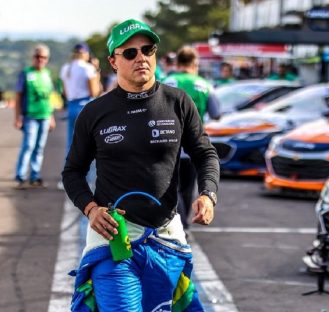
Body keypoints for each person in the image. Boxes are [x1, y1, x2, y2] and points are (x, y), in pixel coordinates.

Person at [62, 19, 219, 311]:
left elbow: (205, 154)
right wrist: (91, 209)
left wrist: (208, 194)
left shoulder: (178, 102)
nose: (141, 58)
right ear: (113, 61)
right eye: (130, 53)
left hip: (165, 238)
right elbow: (72, 172)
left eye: (147, 50)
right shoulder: (95, 112)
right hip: (115, 240)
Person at [163, 46, 221, 231]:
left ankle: (177, 223)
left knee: (170, 187)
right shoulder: (205, 85)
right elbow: (217, 113)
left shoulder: (166, 81)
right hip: (194, 144)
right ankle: (183, 225)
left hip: (165, 144)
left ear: (177, 63)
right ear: (195, 64)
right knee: (188, 189)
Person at [14, 44, 55, 189]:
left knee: (39, 147)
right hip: (30, 115)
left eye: (43, 57)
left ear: (47, 59)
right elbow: (18, 96)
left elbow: (50, 97)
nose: (40, 60)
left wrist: (51, 117)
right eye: (38, 56)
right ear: (33, 58)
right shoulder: (26, 73)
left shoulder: (47, 74)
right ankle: (20, 176)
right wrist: (18, 116)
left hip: (44, 115)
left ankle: (35, 176)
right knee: (28, 146)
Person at [60, 43, 100, 154]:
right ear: (85, 53)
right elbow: (95, 92)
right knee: (89, 144)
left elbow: (65, 92)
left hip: (71, 105)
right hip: (85, 105)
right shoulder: (88, 68)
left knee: (71, 143)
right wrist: (97, 71)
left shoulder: (66, 68)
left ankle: (70, 170)